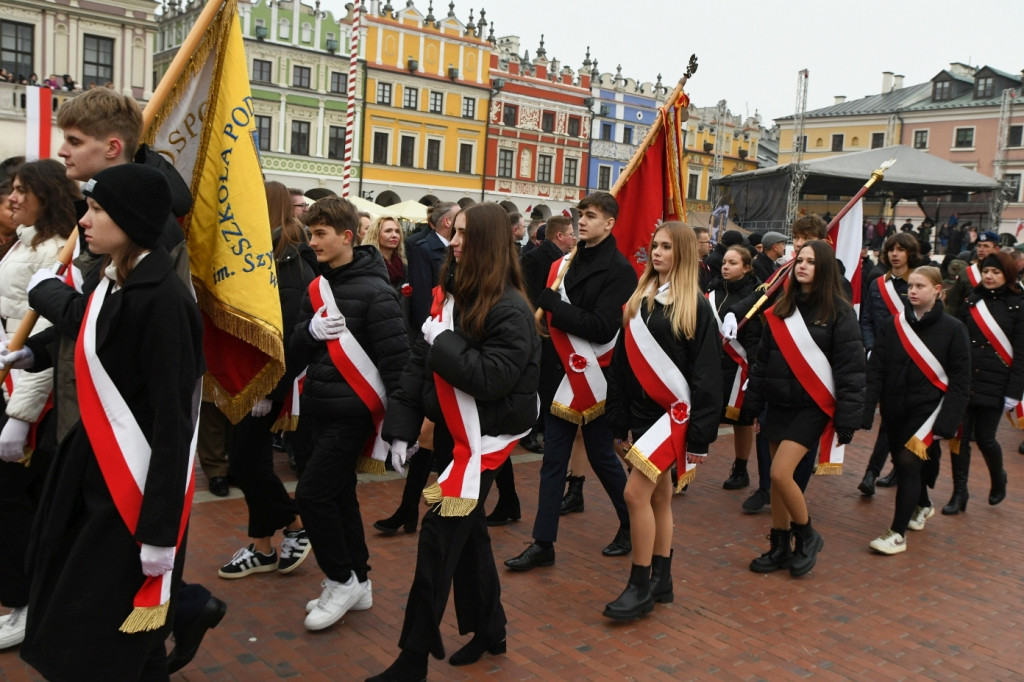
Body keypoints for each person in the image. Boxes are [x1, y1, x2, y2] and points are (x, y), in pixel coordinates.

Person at [16, 85, 225, 674]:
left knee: (103, 631)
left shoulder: (160, 294)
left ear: (129, 220)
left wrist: (160, 530)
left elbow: (172, 416)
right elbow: (101, 340)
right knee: (89, 621)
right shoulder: (117, 274)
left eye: (96, 211)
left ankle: (176, 619)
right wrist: (32, 355)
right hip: (92, 463)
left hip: (127, 480)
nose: (82, 221)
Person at [368, 203, 541, 681]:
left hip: (483, 447)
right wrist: (401, 430)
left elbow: (489, 379)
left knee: (437, 547)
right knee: (470, 544)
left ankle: (412, 659)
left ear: (486, 242)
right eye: (454, 231)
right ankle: (491, 629)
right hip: (450, 438)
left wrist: (444, 341)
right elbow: (415, 367)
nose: (455, 240)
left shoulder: (510, 309)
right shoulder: (451, 298)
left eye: (464, 233)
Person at [289, 196, 409, 631]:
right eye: (311, 233)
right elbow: (295, 347)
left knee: (312, 495)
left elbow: (398, 364)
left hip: (353, 413)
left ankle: (339, 578)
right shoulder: (317, 287)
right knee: (337, 494)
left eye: (321, 234)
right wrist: (310, 330)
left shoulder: (378, 292)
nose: (313, 241)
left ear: (347, 236)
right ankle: (357, 578)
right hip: (319, 407)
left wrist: (398, 430)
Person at [504, 191, 636, 572]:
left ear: (609, 223)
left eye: (591, 216)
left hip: (596, 377)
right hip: (562, 373)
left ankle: (631, 522)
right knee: (553, 461)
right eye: (581, 215)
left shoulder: (621, 270)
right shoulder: (565, 263)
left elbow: (600, 327)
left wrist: (554, 307)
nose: (582, 221)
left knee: (601, 457)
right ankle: (543, 542)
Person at [603, 222, 722, 619]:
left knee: (634, 495)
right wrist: (618, 422)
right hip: (640, 414)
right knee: (658, 497)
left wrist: (701, 438)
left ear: (684, 253)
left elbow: (707, 376)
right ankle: (662, 580)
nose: (656, 253)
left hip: (674, 418)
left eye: (667, 247)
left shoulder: (697, 306)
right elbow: (620, 366)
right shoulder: (640, 297)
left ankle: (639, 585)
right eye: (654, 245)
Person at [741, 241, 865, 577]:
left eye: (811, 261)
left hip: (813, 406)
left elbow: (851, 370)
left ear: (823, 268)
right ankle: (779, 546)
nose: (803, 266)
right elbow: (762, 363)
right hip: (777, 404)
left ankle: (808, 536)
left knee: (781, 473)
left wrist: (848, 417)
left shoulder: (839, 312)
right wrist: (752, 403)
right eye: (800, 260)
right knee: (776, 481)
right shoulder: (782, 307)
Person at [216, 181, 315, 580]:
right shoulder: (268, 254)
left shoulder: (290, 261)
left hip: (266, 381)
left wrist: (270, 390)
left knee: (245, 463)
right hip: (248, 377)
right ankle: (261, 545)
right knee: (249, 461)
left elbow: (289, 331)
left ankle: (295, 524)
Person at [0, 160, 79, 650]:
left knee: (11, 505)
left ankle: (22, 603)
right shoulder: (27, 241)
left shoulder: (53, 250)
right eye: (10, 188)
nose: (11, 197)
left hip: (29, 400)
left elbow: (46, 343)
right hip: (10, 382)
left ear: (46, 196)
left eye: (21, 190)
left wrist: (19, 417)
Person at [721, 214, 831, 515]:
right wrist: (734, 312)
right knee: (766, 431)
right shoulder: (784, 272)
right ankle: (767, 489)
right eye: (795, 238)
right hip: (776, 372)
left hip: (809, 376)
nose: (797, 245)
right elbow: (760, 297)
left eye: (805, 239)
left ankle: (794, 495)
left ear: (821, 242)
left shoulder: (835, 280)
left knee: (800, 448)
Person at [862, 266, 970, 554]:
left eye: (920, 286)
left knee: (909, 461)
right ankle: (922, 503)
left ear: (938, 290)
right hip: (895, 407)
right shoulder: (893, 325)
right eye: (910, 285)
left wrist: (949, 420)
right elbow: (877, 369)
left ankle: (897, 533)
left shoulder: (953, 329)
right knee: (902, 460)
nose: (912, 291)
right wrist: (867, 406)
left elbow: (961, 380)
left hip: (929, 410)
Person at [946, 251, 1024, 514]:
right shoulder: (972, 301)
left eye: (996, 272)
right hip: (966, 380)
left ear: (1008, 275)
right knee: (960, 438)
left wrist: (1014, 392)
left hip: (997, 383)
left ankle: (998, 477)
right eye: (986, 271)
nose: (989, 276)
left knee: (986, 439)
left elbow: (1022, 353)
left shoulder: (1019, 305)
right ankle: (960, 493)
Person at [857, 232, 924, 495]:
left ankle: (873, 472)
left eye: (901, 249)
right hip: (883, 361)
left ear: (910, 253)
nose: (895, 254)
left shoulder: (920, 283)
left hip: (914, 362)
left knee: (893, 420)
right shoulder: (877, 284)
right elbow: (867, 321)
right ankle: (883, 470)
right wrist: (872, 347)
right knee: (889, 417)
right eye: (891, 249)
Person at [707, 244, 762, 491]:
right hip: (712, 366)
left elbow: (754, 338)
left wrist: (753, 369)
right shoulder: (712, 292)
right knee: (702, 416)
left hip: (739, 367)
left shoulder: (754, 298)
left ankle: (740, 468)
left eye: (733, 263)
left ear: (747, 268)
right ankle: (683, 467)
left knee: (740, 421)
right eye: (725, 262)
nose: (726, 267)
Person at [407, 201, 459, 329]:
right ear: (447, 222)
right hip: (435, 324)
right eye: (458, 218)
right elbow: (422, 297)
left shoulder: (456, 248)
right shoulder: (423, 249)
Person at [946, 231, 999, 316]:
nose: (981, 249)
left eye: (986, 246)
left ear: (996, 249)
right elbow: (953, 304)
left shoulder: (1005, 272)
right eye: (979, 246)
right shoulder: (966, 274)